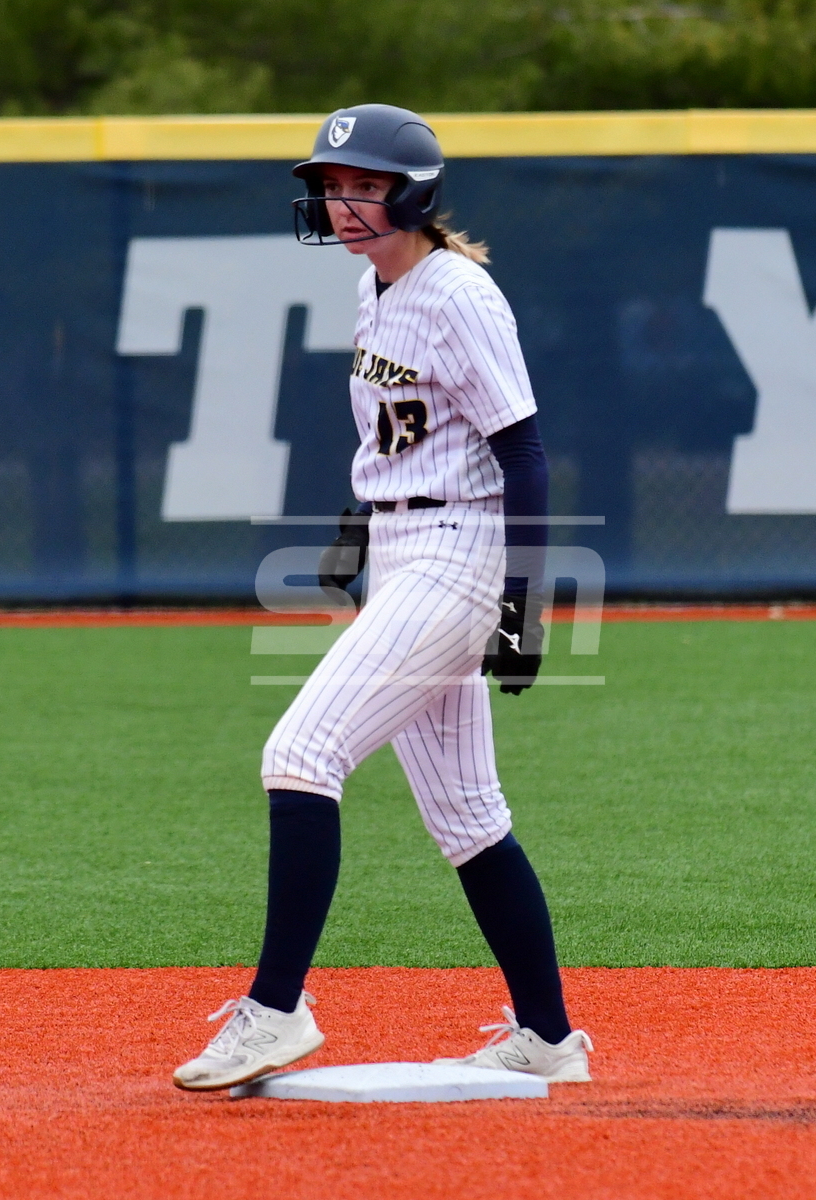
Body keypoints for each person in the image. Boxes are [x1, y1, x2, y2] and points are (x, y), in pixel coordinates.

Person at [173, 103, 592, 1091]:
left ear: (414, 193)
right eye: (331, 185)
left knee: (300, 754)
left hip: (460, 554)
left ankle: (276, 1011)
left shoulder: (457, 294)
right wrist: (357, 535)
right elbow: (406, 439)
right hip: (406, 547)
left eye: (364, 185)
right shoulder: (375, 287)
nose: (342, 202)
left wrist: (523, 603)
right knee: (469, 817)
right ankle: (547, 1037)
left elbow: (523, 452)